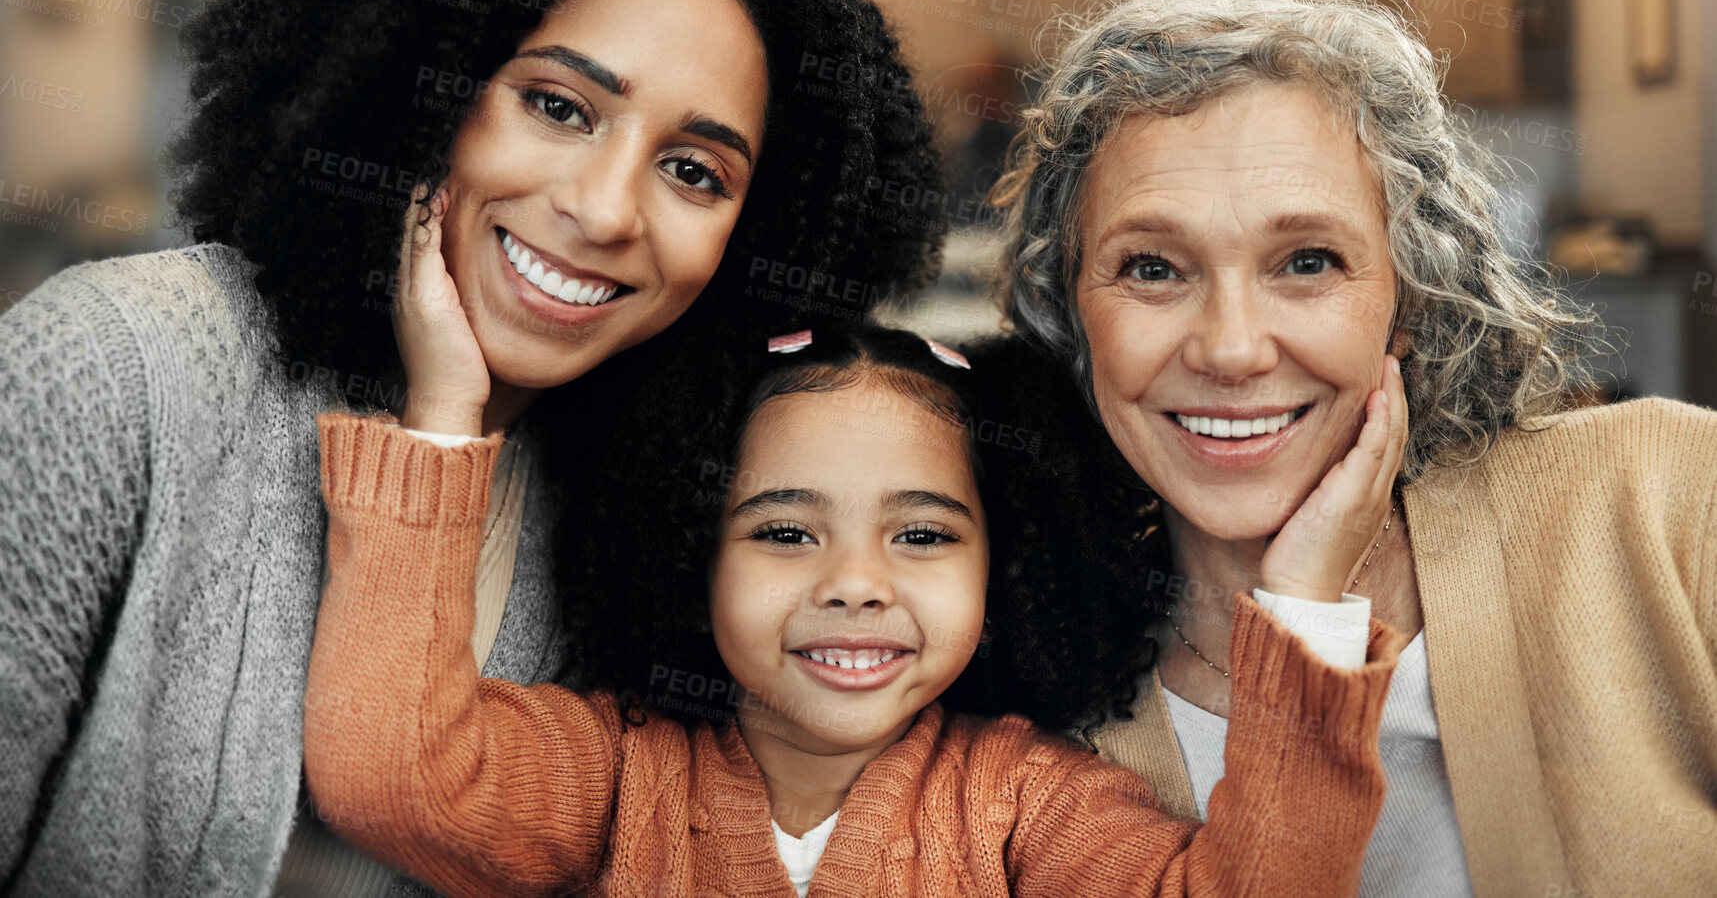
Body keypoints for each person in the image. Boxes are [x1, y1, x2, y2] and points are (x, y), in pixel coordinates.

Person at [0, 0, 942, 898]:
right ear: (421, 88)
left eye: (695, 172)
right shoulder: (117, 365)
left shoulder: (663, 516)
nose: (602, 210)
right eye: (556, 105)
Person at [990, 0, 1717, 897]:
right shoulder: (1021, 677)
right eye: (1152, 269)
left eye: (1305, 261)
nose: (1233, 349)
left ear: (1408, 296)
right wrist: (1300, 618)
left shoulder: (1667, 498)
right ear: (1070, 312)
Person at [305, 298, 1412, 897]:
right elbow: (392, 774)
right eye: (784, 532)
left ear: (1005, 565)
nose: (853, 585)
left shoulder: (1025, 801)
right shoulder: (615, 768)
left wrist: (1305, 591)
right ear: (692, 557)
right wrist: (449, 411)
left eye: (922, 535)